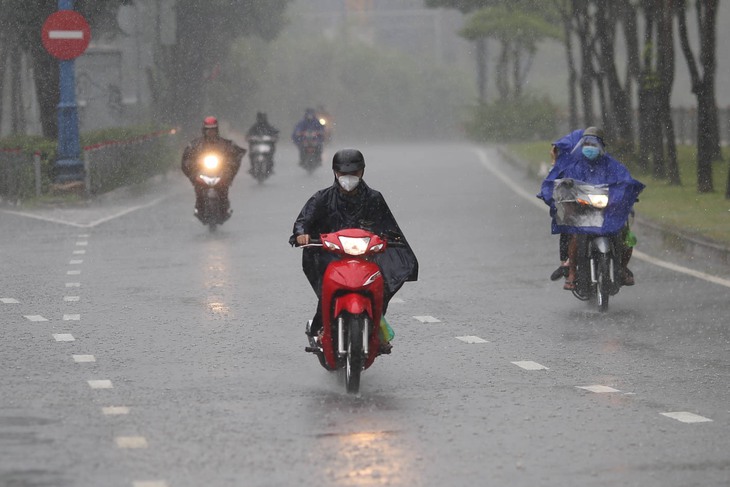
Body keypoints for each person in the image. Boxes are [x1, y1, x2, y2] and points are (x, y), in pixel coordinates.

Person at [289, 148, 419, 352]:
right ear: (335, 173)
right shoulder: (323, 198)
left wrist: (390, 239)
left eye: (354, 173)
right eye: (343, 174)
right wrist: (301, 233)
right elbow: (303, 220)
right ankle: (322, 327)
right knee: (326, 288)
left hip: (366, 257)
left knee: (380, 286)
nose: (348, 178)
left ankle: (376, 329)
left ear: (362, 172)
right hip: (330, 255)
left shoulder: (374, 198)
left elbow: (387, 226)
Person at [539, 127, 644, 290]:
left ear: (601, 145)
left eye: (593, 144)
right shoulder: (574, 166)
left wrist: (626, 194)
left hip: (607, 210)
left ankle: (622, 269)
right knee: (574, 235)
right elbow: (562, 183)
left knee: (626, 237)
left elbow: (625, 181)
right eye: (586, 143)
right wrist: (562, 193)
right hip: (582, 210)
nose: (590, 147)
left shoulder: (613, 165)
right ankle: (572, 273)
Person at [181, 116, 246, 216]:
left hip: (220, 172)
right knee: (198, 187)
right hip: (202, 172)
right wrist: (193, 169)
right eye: (208, 130)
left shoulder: (224, 143)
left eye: (213, 129)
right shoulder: (196, 144)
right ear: (204, 130)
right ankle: (199, 207)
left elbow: (237, 153)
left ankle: (225, 208)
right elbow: (186, 159)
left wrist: (230, 163)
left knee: (224, 187)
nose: (210, 132)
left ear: (217, 130)